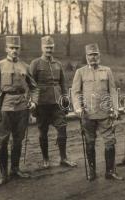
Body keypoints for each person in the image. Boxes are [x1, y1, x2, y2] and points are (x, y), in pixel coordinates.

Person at [0, 36, 39, 186]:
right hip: (5, 107)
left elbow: (34, 87)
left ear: (19, 49)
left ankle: (15, 169)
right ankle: (4, 174)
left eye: (16, 48)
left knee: (18, 140)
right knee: (2, 141)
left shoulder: (25, 66)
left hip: (22, 108)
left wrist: (34, 102)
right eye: (11, 47)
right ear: (6, 49)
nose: (14, 50)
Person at [71, 43, 123, 181]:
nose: (93, 57)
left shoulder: (107, 71)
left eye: (95, 54)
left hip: (105, 113)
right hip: (88, 114)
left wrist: (116, 108)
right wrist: (77, 107)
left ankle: (110, 171)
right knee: (90, 142)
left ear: (99, 55)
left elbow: (113, 91)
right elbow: (75, 92)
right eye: (90, 55)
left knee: (110, 142)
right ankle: (92, 171)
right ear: (86, 56)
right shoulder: (80, 72)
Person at [29, 36, 77, 169]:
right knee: (43, 131)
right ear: (42, 48)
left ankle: (63, 158)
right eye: (46, 47)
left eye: (51, 47)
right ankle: (45, 159)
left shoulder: (58, 64)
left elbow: (62, 83)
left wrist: (65, 99)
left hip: (57, 103)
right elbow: (31, 85)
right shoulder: (35, 63)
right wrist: (33, 102)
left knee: (62, 128)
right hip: (42, 103)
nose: (49, 50)